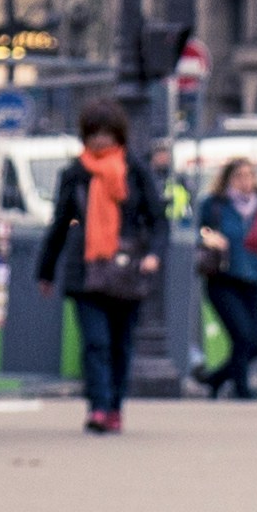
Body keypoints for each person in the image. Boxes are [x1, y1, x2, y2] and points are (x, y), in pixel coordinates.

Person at [34, 98, 161, 433]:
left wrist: (153, 254)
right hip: (85, 268)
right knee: (96, 342)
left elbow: (158, 219)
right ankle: (99, 406)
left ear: (118, 134)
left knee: (121, 343)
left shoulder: (136, 171)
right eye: (93, 133)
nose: (100, 140)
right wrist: (45, 270)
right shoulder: (75, 173)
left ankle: (115, 404)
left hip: (126, 267)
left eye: (106, 133)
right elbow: (60, 223)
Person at [194, 153, 257, 400]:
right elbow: (199, 230)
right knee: (242, 335)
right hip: (222, 278)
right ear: (228, 179)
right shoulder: (215, 204)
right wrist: (209, 237)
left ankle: (214, 379)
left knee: (256, 344)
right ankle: (241, 389)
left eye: (250, 175)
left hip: (252, 278)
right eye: (239, 176)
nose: (246, 181)